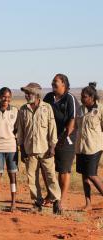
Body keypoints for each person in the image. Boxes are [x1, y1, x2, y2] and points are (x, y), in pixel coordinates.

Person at [17, 82, 62, 214]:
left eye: (29, 93)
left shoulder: (47, 108)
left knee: (50, 176)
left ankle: (57, 201)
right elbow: (20, 132)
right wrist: (22, 150)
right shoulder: (23, 110)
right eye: (26, 93)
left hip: (45, 149)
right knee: (32, 178)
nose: (27, 95)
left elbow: (52, 129)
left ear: (37, 94)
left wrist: (53, 146)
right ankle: (37, 202)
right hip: (30, 150)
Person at [43, 74, 79, 208]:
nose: (52, 83)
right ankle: (51, 195)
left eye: (55, 81)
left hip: (66, 140)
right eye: (52, 81)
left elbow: (72, 122)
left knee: (63, 171)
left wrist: (61, 139)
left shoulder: (70, 99)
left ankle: (60, 200)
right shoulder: (48, 97)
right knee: (47, 168)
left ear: (63, 84)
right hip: (49, 139)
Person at [75, 82, 103, 211]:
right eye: (81, 96)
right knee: (84, 176)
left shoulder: (100, 110)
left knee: (92, 174)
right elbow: (76, 126)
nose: (82, 98)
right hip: (81, 148)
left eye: (84, 96)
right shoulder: (80, 109)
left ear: (92, 98)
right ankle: (88, 203)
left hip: (94, 147)